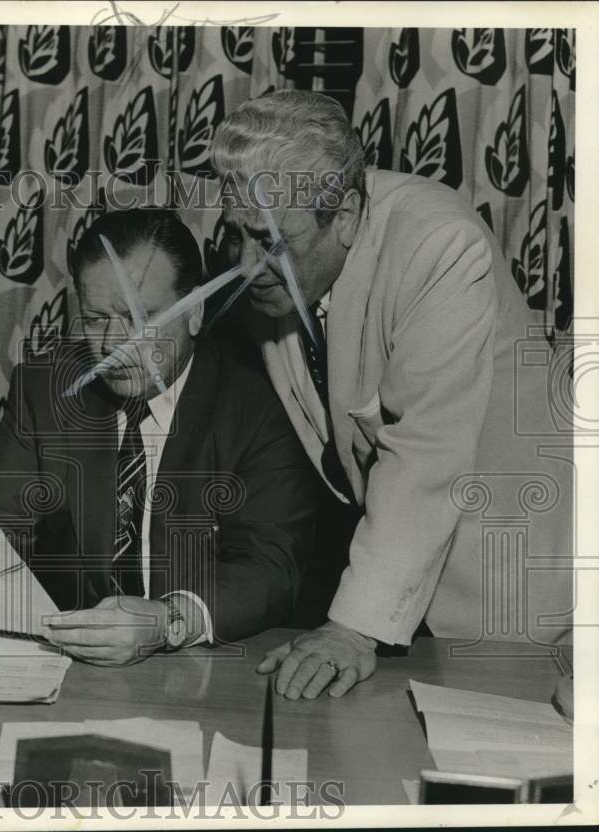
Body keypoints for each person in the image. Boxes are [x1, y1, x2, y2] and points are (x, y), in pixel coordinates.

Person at [209, 90, 573, 699]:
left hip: (521, 569)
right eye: (234, 234)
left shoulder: (439, 244)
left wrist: (352, 630)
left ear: (346, 216)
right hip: (403, 575)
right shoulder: (270, 235)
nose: (245, 266)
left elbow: (424, 453)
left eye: (269, 240)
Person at [0, 208, 319, 664]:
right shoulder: (49, 386)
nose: (115, 346)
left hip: (201, 667)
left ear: (194, 313)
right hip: (72, 667)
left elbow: (271, 568)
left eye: (140, 318)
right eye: (96, 320)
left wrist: (168, 621)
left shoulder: (258, 404)